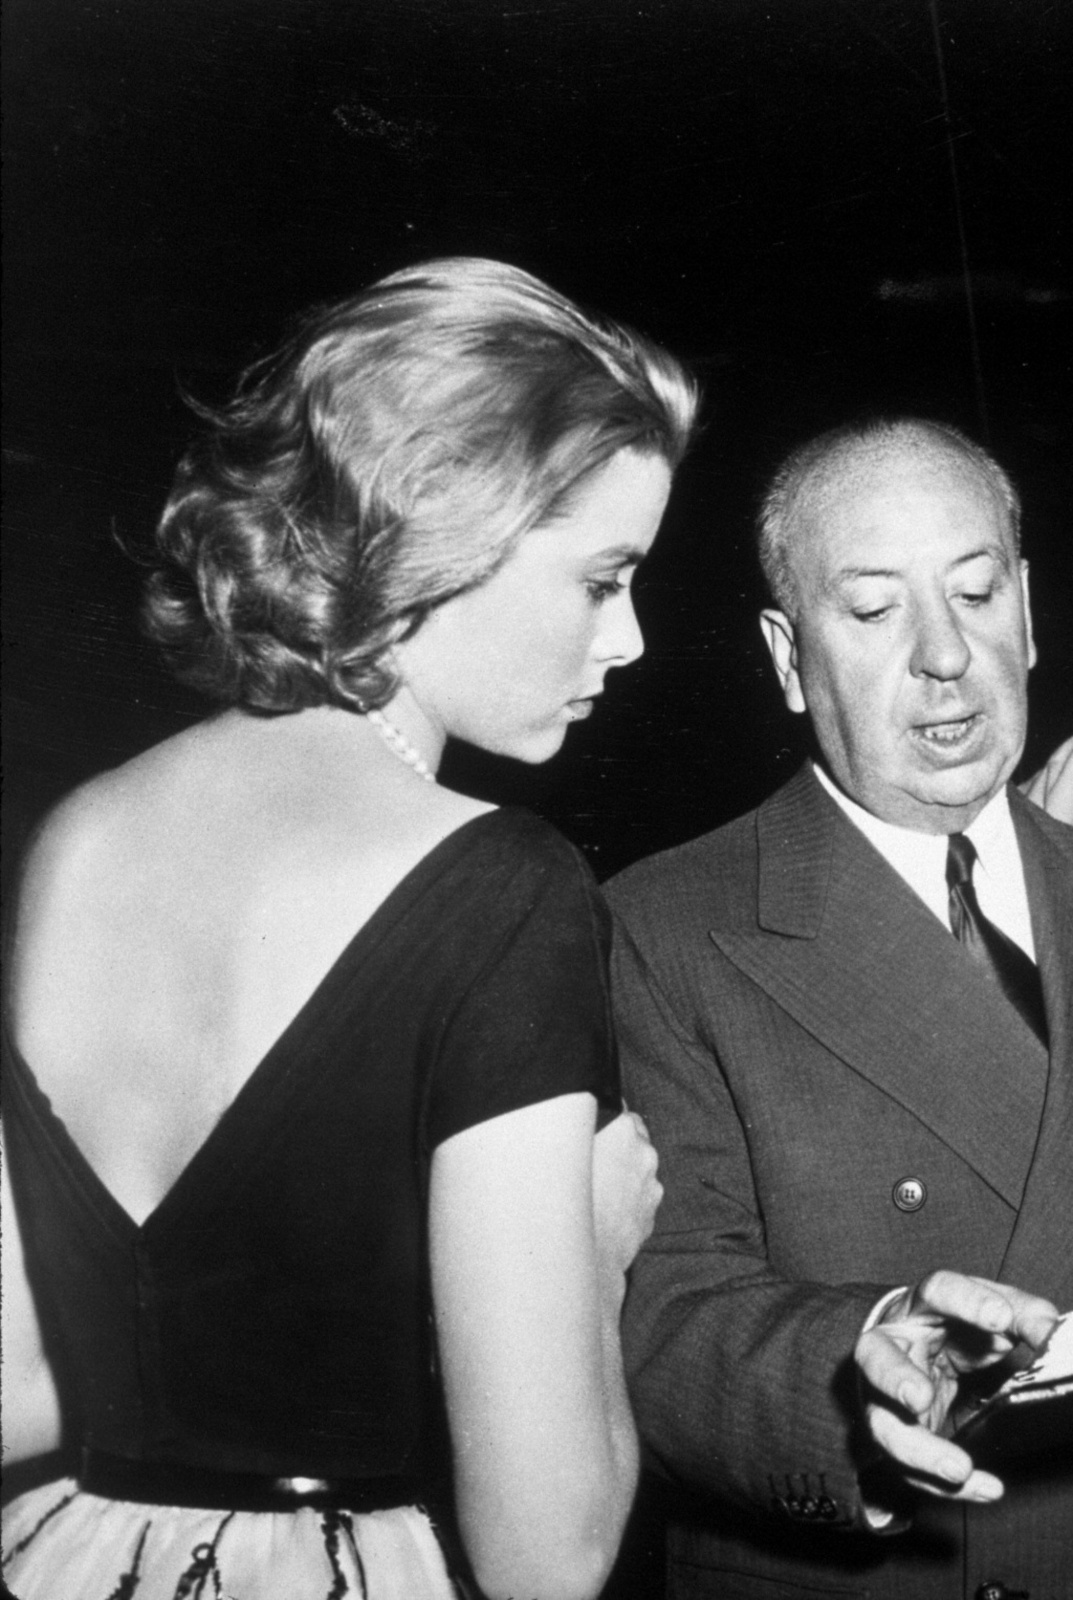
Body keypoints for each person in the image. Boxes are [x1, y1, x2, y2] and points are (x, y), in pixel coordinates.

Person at [0, 257, 699, 1600]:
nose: (631, 640)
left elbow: (18, 1379)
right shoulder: (501, 884)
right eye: (602, 579)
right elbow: (544, 1559)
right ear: (445, 531)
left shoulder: (78, 836)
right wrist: (597, 1252)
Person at [606, 418, 1072, 1600]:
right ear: (785, 655)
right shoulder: (661, 928)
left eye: (974, 593)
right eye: (871, 610)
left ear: (1025, 611)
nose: (943, 654)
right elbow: (658, 1307)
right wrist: (858, 1362)